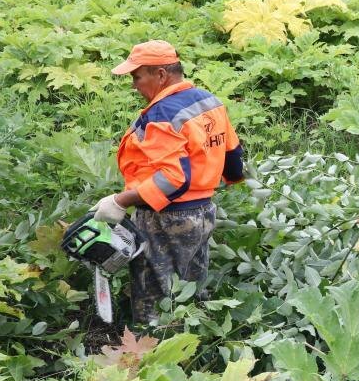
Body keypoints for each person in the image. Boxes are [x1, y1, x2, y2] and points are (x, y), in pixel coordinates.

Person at [92, 41, 245, 323]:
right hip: (203, 212)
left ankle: (155, 350)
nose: (134, 85)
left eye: (137, 77)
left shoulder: (163, 114)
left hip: (166, 217)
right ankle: (194, 342)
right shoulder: (208, 101)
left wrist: (120, 201)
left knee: (156, 291)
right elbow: (233, 155)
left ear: (161, 75)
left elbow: (173, 178)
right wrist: (222, 180)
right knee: (190, 283)